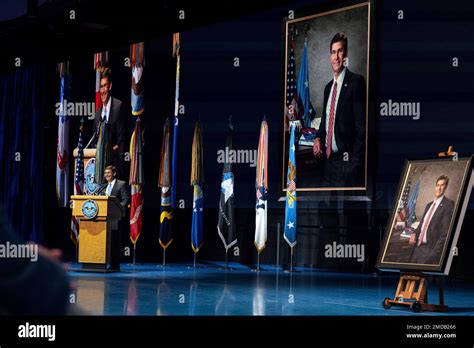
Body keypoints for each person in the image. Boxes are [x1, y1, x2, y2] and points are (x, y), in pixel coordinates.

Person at [312, 32, 366, 187]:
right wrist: (317, 138)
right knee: (326, 210)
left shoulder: (356, 82)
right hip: (326, 163)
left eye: (340, 51)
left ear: (346, 54)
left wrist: (352, 166)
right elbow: (326, 121)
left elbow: (362, 130)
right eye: (333, 52)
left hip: (345, 164)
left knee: (347, 211)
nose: (336, 57)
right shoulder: (328, 88)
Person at [408, 175, 455, 264]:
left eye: (442, 185)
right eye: (437, 185)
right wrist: (414, 234)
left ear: (446, 187)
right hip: (417, 248)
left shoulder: (448, 205)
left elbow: (445, 234)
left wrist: (433, 255)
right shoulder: (429, 205)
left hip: (429, 250)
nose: (439, 188)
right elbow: (421, 226)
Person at [93, 67, 127, 178]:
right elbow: (94, 141)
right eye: (101, 87)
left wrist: (110, 152)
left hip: (115, 168)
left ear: (110, 86)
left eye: (105, 86)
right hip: (99, 170)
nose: (102, 90)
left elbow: (122, 141)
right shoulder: (98, 113)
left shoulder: (118, 106)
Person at [99, 165, 130, 271]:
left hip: (116, 218)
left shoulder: (121, 184)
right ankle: (101, 262)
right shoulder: (103, 186)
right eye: (105, 173)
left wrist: (117, 209)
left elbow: (126, 199)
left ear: (114, 173)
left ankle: (115, 265)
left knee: (114, 242)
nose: (106, 175)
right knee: (106, 242)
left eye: (108, 173)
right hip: (104, 219)